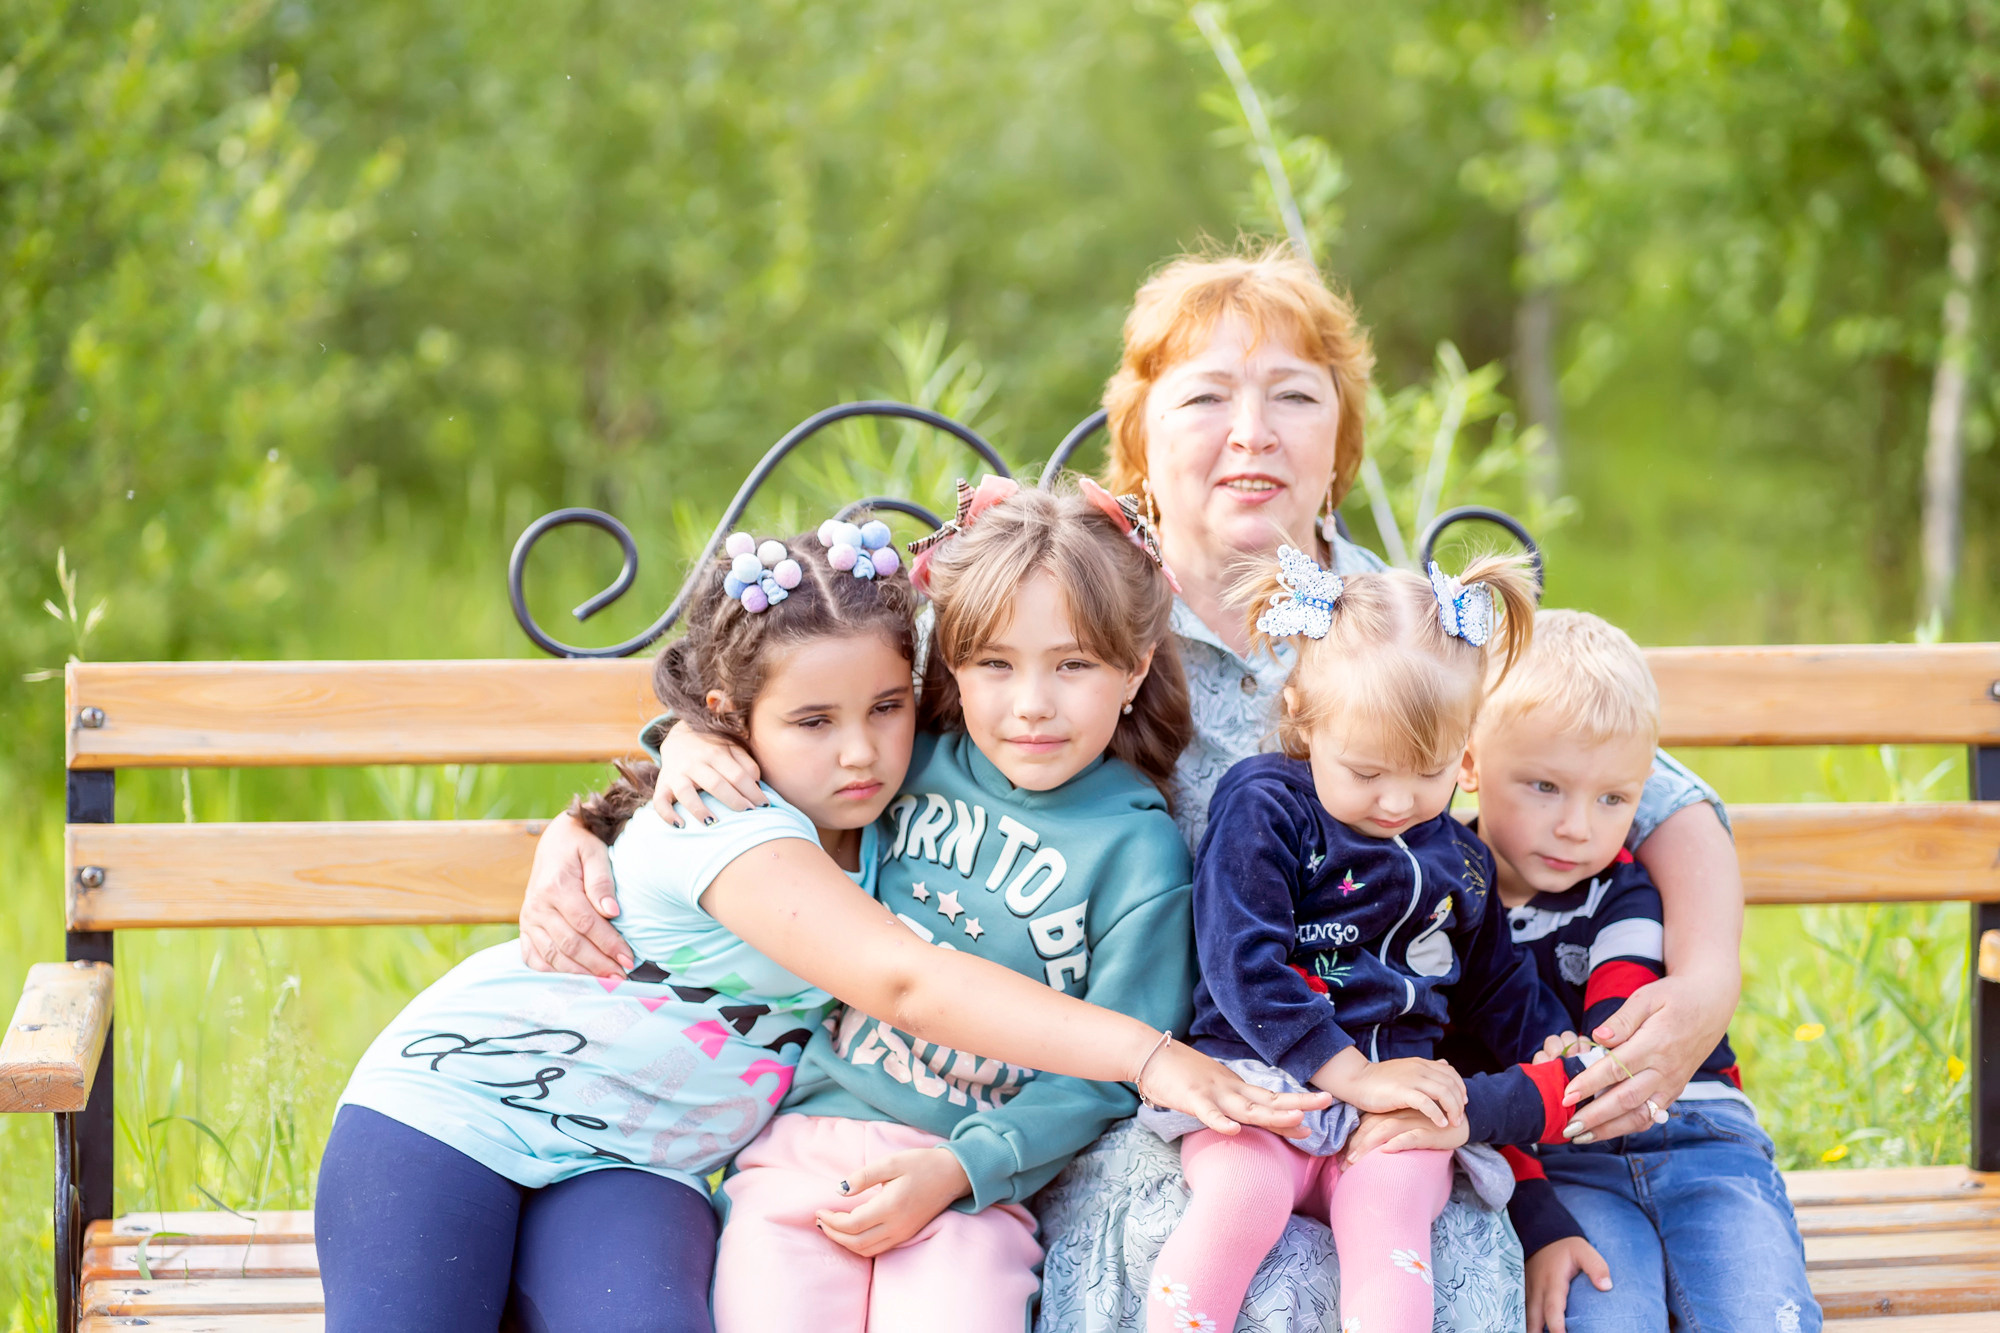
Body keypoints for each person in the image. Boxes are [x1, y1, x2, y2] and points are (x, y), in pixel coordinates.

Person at [516, 244, 1741, 1332]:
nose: (1250, 433)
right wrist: (658, 764)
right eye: (1205, 397)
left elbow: (1656, 793)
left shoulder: (1400, 624)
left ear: (1340, 439)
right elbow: (819, 696)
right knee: (1242, 1263)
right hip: (1133, 1094)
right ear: (1141, 438)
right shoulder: (1069, 606)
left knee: (1405, 1249)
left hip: (1382, 1090)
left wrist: (1705, 980)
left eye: (1293, 396)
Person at [315, 520, 1321, 1333]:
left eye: (886, 708)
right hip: (458, 1104)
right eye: (813, 723)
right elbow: (904, 981)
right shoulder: (730, 818)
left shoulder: (896, 795)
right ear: (736, 720)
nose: (859, 752)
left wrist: (674, 743)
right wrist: (1149, 1053)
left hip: (633, 1161)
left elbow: (855, 687)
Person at [712, 478, 1203, 1332]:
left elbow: (1108, 1073)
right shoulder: (897, 764)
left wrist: (963, 1169)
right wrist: (682, 743)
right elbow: (769, 741)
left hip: (974, 1184)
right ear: (953, 665)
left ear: (1135, 667)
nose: (1032, 704)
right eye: (996, 664)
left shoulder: (1140, 854)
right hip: (808, 1143)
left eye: (1074, 664)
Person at [1143, 550, 1595, 1333]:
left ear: (1465, 749)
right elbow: (1241, 963)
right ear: (1303, 718)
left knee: (1389, 1228)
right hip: (1265, 1085)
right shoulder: (1267, 806)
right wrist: (1352, 1075)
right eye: (1365, 771)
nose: (1396, 800)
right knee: (1240, 1200)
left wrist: (1551, 1039)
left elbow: (1495, 982)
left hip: (1397, 1106)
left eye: (1427, 772)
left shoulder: (1461, 859)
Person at [1449, 609, 1817, 1333]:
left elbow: (1616, 1035)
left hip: (1700, 1136)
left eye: (1613, 798)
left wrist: (1574, 1059)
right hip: (1564, 1161)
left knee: (1762, 1314)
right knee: (1602, 1315)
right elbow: (1464, 1068)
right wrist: (1540, 1221)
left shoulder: (1627, 888)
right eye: (1544, 786)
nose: (1577, 827)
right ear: (1469, 763)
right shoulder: (1440, 905)